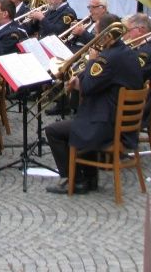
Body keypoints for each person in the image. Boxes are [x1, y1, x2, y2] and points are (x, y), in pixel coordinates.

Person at [44, 14, 143, 195]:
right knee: (80, 119)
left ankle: (75, 180)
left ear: (106, 36)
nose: (94, 39)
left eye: (96, 34)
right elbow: (102, 83)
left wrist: (90, 62)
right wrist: (78, 81)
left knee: (54, 131)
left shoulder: (106, 59)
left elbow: (89, 87)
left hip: (106, 124)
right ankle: (89, 178)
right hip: (122, 123)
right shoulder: (128, 53)